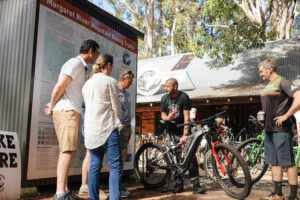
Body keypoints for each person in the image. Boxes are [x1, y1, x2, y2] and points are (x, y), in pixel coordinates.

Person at [45, 39, 99, 200]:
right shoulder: (74, 63)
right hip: (67, 111)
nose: (96, 57)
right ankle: (60, 193)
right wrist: (52, 105)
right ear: (90, 51)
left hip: (70, 111)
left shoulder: (81, 67)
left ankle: (64, 189)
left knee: (69, 150)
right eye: (96, 53)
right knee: (68, 150)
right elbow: (60, 85)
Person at [258, 58, 300, 200]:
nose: (260, 74)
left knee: (287, 162)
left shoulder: (283, 81)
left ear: (269, 70)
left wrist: (286, 115)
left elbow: (299, 97)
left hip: (281, 130)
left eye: (261, 71)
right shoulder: (267, 87)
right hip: (268, 130)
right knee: (274, 162)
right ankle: (278, 194)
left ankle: (293, 196)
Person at [82, 54, 123, 200]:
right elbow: (117, 108)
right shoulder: (110, 81)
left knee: (94, 165)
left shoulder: (87, 84)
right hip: (107, 128)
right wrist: (116, 118)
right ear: (109, 65)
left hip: (91, 130)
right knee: (116, 165)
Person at [160, 78, 206, 194]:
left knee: (190, 156)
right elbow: (163, 116)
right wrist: (169, 118)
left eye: (168, 86)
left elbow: (186, 118)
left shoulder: (183, 97)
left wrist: (185, 134)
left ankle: (195, 184)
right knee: (174, 158)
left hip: (183, 131)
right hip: (171, 132)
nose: (166, 88)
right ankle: (178, 184)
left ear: (175, 87)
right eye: (165, 86)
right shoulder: (164, 98)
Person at [78, 64, 108, 200]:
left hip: (90, 126)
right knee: (91, 156)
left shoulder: (86, 90)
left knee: (89, 155)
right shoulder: (89, 91)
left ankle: (86, 186)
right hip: (91, 127)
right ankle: (86, 186)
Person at [118, 69, 135, 198]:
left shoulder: (127, 93)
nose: (131, 84)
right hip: (120, 126)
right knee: (120, 155)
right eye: (129, 81)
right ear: (123, 79)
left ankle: (119, 183)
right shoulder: (115, 91)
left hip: (128, 126)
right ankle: (118, 185)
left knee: (123, 155)